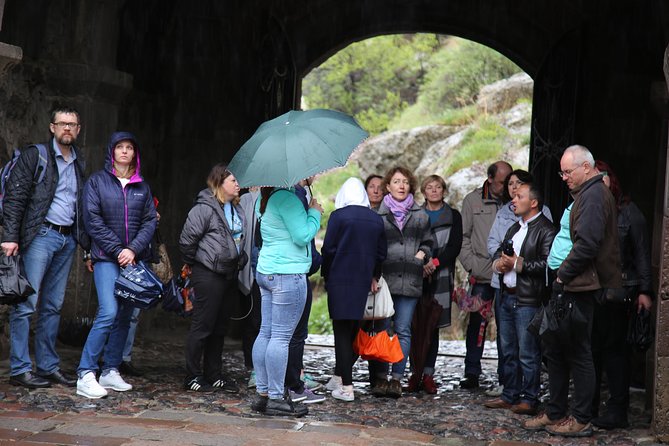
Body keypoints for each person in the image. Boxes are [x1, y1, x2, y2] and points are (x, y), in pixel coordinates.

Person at [523, 145, 621, 437]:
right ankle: (555, 411)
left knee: (579, 352)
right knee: (556, 349)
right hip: (568, 284)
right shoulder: (585, 194)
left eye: (568, 171)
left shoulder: (594, 195)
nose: (564, 177)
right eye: (561, 172)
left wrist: (562, 275)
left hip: (579, 285)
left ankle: (580, 417)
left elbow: (588, 244)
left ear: (586, 168)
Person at [2, 106, 89, 389]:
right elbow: (15, 198)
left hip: (67, 240)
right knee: (26, 303)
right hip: (40, 235)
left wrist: (85, 246)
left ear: (78, 129)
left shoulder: (79, 162)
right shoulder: (35, 155)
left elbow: (81, 207)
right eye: (62, 123)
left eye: (72, 124)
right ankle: (20, 368)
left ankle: (48, 366)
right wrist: (11, 237)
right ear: (52, 127)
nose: (67, 128)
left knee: (53, 306)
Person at [76, 132, 157, 399]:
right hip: (106, 257)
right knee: (108, 311)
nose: (124, 152)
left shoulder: (142, 186)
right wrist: (118, 249)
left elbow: (149, 221)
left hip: (133, 258)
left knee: (125, 315)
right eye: (120, 147)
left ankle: (110, 369)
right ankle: (86, 372)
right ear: (112, 151)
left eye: (129, 148)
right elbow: (92, 220)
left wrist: (133, 249)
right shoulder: (97, 182)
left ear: (135, 153)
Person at [590, 161, 652, 430]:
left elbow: (641, 254)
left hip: (621, 293)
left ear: (611, 180)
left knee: (616, 353)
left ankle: (617, 410)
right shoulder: (589, 210)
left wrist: (645, 291)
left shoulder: (630, 213)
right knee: (590, 351)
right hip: (592, 291)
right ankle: (587, 407)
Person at [251, 184, 323, 417]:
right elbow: (302, 236)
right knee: (281, 337)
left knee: (266, 333)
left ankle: (263, 395)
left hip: (267, 271)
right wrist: (314, 213)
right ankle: (275, 398)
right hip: (286, 274)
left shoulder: (265, 197)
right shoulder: (288, 199)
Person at [485, 183, 556, 415]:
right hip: (506, 296)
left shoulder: (546, 229)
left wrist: (517, 263)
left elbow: (549, 265)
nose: (513, 200)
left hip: (528, 299)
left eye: (519, 196)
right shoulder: (514, 228)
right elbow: (499, 253)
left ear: (533, 202)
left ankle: (529, 397)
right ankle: (509, 394)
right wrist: (499, 263)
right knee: (508, 350)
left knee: (528, 351)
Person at [179, 164, 245, 392]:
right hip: (208, 274)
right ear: (219, 184)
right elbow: (187, 241)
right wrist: (199, 263)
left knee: (220, 327)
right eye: (233, 181)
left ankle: (214, 373)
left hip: (229, 274)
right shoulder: (205, 208)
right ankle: (192, 376)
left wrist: (240, 256)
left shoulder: (236, 208)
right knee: (203, 325)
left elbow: (236, 239)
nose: (238, 185)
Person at [321, 177, 387, 402]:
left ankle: (346, 387)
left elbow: (329, 249)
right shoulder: (375, 219)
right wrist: (374, 275)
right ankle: (339, 376)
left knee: (341, 332)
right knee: (351, 331)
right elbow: (381, 254)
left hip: (339, 280)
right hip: (362, 282)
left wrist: (326, 275)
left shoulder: (338, 216)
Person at [374, 166, 433, 398]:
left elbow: (429, 243)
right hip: (384, 281)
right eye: (396, 181)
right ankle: (380, 377)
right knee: (381, 329)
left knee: (403, 330)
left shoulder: (421, 216)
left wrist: (421, 255)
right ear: (388, 186)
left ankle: (396, 378)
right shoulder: (378, 216)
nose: (401, 186)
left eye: (405, 182)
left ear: (410, 186)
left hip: (410, 279)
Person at [457, 161, 512, 389]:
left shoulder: (515, 201)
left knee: (506, 326)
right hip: (482, 273)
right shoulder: (473, 200)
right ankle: (472, 372)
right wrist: (472, 266)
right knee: (477, 324)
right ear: (490, 179)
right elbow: (464, 236)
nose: (507, 186)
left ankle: (505, 376)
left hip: (508, 273)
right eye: (502, 182)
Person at [407, 175, 462, 394]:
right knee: (413, 324)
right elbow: (410, 242)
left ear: (444, 190)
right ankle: (415, 372)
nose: (434, 191)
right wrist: (421, 264)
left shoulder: (453, 216)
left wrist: (435, 262)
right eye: (429, 187)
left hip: (441, 276)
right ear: (423, 191)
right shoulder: (415, 215)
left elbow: (454, 245)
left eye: (438, 187)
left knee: (433, 325)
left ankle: (428, 373)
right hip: (416, 274)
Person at [285, 178, 326, 404]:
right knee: (295, 335)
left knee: (281, 334)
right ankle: (293, 385)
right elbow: (303, 237)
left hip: (283, 271)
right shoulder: (294, 196)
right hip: (294, 273)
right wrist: (315, 213)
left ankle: (274, 385)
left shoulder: (281, 196)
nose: (316, 175)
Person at [238, 187, 262, 389]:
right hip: (253, 267)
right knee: (253, 319)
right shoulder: (248, 199)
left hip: (268, 266)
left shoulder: (282, 198)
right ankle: (253, 365)